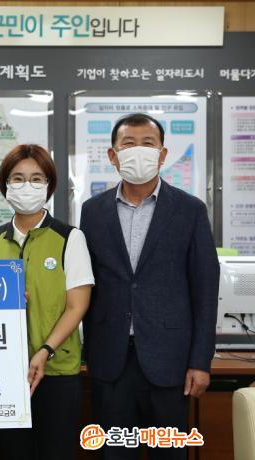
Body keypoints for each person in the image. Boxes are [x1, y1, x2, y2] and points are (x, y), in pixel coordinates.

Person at [80, 113, 220, 460]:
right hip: (111, 360)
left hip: (170, 362)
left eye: (148, 143)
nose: (138, 151)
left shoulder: (190, 210)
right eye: (129, 144)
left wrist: (201, 361)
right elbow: (86, 283)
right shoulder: (92, 211)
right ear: (113, 155)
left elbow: (205, 290)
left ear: (162, 154)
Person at [0, 144, 94, 460]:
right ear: (5, 186)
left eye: (36, 178)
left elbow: (77, 306)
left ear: (49, 186)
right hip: (7, 373)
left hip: (57, 370)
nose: (26, 186)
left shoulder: (69, 238)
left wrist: (45, 351)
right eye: (17, 178)